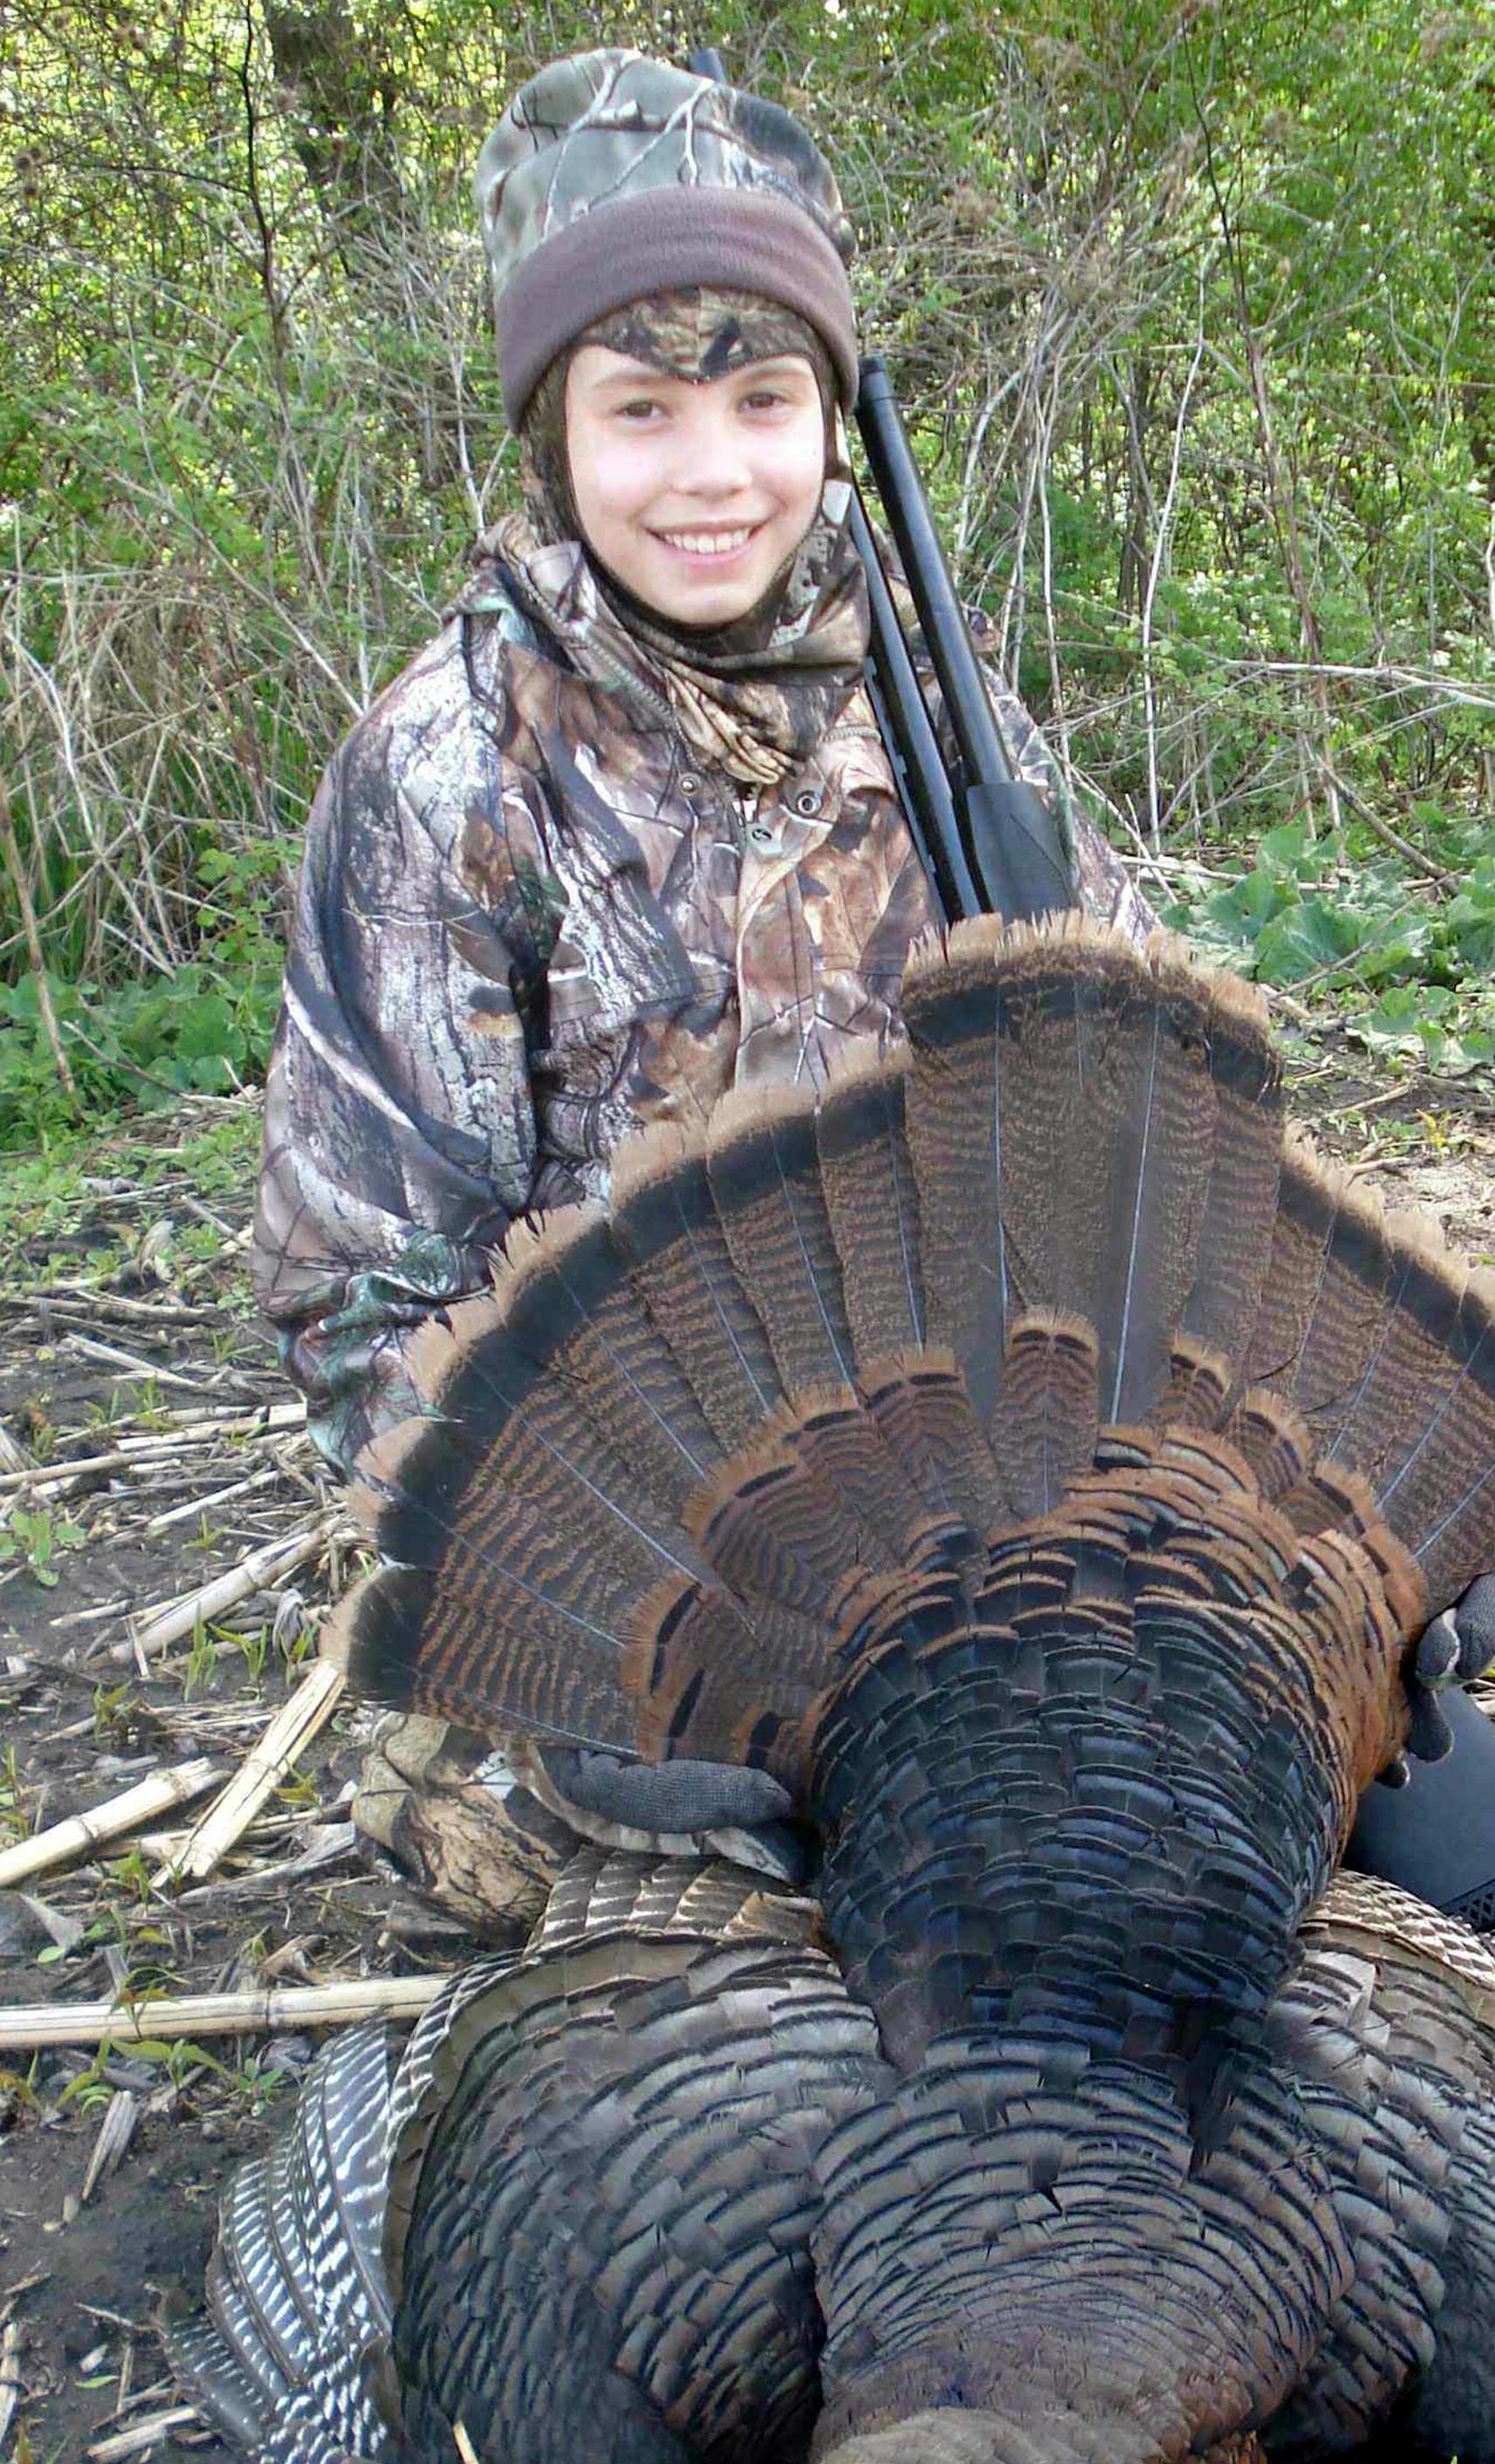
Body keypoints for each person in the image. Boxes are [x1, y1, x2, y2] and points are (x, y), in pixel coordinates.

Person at [252, 50, 1151, 1937]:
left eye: (763, 399)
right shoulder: (445, 769)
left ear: (830, 411)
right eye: (642, 409)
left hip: (976, 1508)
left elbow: (1149, 1131)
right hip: (621, 1561)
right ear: (551, 431)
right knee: (737, 1950)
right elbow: (366, 1301)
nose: (715, 472)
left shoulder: (946, 715)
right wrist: (600, 1589)